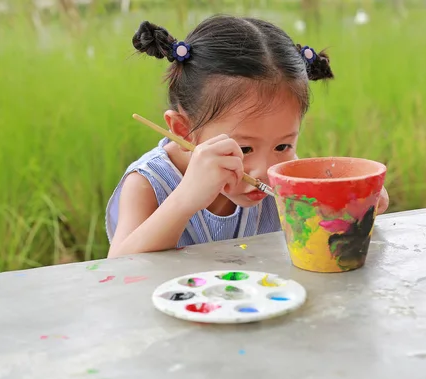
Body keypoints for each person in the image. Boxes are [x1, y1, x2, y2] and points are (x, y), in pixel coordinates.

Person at [106, 16, 389, 258]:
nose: (264, 170)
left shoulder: (283, 177)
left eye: (283, 145)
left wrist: (353, 203)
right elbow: (117, 271)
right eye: (243, 148)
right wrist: (186, 199)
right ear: (184, 131)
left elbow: (321, 225)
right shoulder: (149, 183)